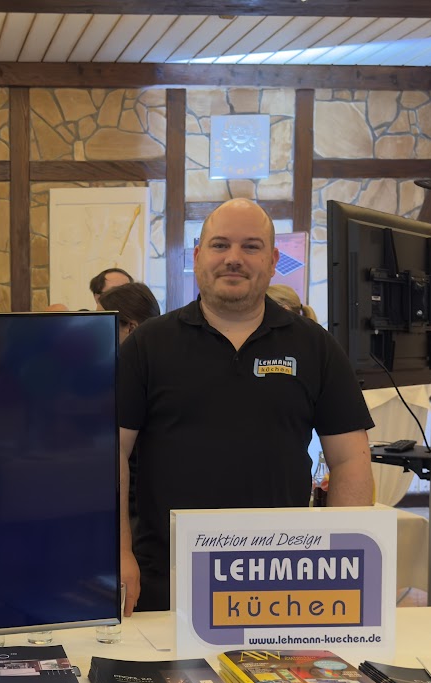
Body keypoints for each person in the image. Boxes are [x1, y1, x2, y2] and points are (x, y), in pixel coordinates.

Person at [117, 198, 375, 613]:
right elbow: (111, 453)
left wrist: (343, 559)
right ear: (197, 257)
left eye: (251, 247)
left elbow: (350, 460)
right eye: (220, 245)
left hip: (280, 581)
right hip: (165, 580)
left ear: (273, 261)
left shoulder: (315, 347)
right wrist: (118, 552)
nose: (233, 258)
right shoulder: (147, 345)